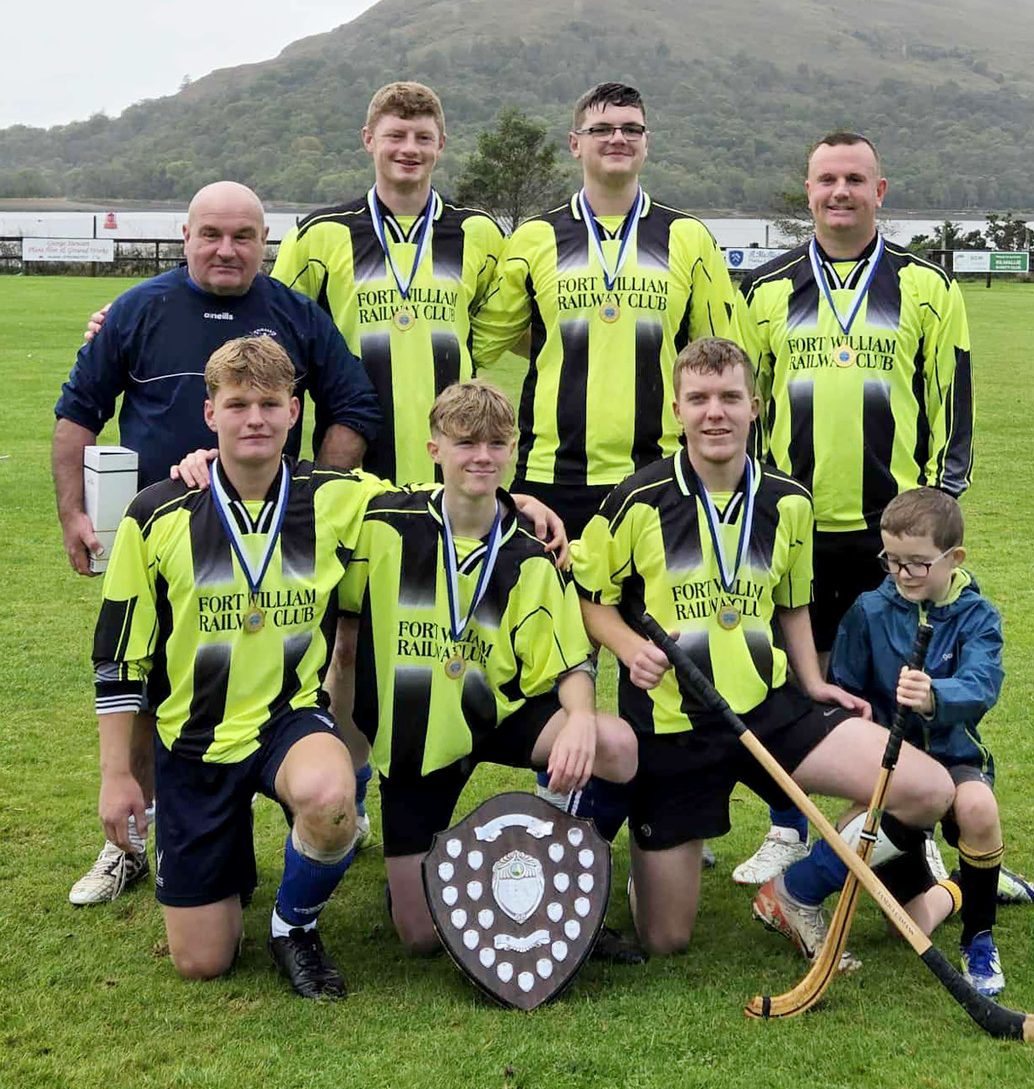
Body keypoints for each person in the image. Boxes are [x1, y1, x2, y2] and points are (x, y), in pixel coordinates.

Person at [571, 337, 954, 960]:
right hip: (674, 727)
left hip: (771, 710)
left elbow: (791, 603)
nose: (714, 413)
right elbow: (591, 600)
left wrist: (813, 681)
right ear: (676, 410)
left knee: (926, 787)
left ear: (755, 406)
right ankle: (647, 862)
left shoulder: (789, 501)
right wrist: (628, 646)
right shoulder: (636, 500)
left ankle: (796, 891)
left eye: (729, 397)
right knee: (665, 939)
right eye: (698, 399)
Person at [57, 181, 380, 907]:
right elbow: (78, 410)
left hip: (274, 553)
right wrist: (74, 511)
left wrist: (311, 497)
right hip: (167, 547)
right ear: (186, 236)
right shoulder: (138, 308)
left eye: (244, 236)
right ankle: (128, 843)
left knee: (285, 683)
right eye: (212, 234)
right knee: (149, 689)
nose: (227, 249)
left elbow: (354, 403)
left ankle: (316, 815)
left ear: (266, 242)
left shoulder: (295, 313)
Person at [473, 81, 742, 875]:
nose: (616, 138)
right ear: (576, 143)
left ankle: (664, 812)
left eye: (630, 127)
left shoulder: (686, 237)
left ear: (646, 141)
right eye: (601, 128)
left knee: (659, 652)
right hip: (557, 480)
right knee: (564, 651)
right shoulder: (535, 239)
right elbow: (482, 336)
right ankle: (565, 824)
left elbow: (718, 356)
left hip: (659, 481)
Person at [92, 335, 376, 998]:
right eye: (238, 404)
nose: (255, 419)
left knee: (332, 801)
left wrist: (520, 505)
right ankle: (226, 855)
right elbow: (119, 658)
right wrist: (116, 776)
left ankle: (293, 927)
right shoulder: (156, 512)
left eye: (270, 404)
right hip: (194, 740)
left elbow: (446, 503)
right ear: (209, 412)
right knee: (202, 961)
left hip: (288, 720)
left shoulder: (338, 497)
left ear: (295, 412)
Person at [731, 132, 975, 886]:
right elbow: (743, 409)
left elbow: (952, 404)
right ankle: (787, 827)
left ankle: (910, 829)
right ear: (808, 190)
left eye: (855, 179)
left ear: (880, 191)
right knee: (787, 681)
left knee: (898, 681)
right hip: (792, 527)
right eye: (827, 179)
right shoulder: (765, 288)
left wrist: (939, 515)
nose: (840, 192)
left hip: (890, 534)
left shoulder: (928, 286)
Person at [271, 81, 507, 834]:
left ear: (441, 144)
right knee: (347, 643)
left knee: (440, 637)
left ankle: (426, 786)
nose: (409, 148)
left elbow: (502, 326)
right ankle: (354, 791)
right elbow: (273, 333)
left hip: (450, 483)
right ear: (368, 138)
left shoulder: (479, 235)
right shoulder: (321, 235)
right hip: (356, 480)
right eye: (395, 134)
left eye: (423, 136)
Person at [342, 381, 638, 953]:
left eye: (496, 444)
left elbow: (570, 661)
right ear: (434, 449)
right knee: (421, 938)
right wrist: (201, 462)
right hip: (418, 738)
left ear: (514, 451)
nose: (482, 456)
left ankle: (561, 869)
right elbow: (292, 481)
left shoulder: (531, 552)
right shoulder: (381, 521)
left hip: (497, 712)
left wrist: (581, 719)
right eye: (466, 443)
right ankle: (432, 874)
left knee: (616, 745)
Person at [764, 487, 1009, 996]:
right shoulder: (869, 610)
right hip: (893, 775)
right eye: (892, 561)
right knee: (909, 925)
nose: (902, 574)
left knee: (979, 807)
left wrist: (935, 695)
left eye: (918, 563)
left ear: (955, 558)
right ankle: (965, 884)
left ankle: (979, 938)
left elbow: (983, 683)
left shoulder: (978, 615)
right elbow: (847, 690)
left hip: (954, 759)